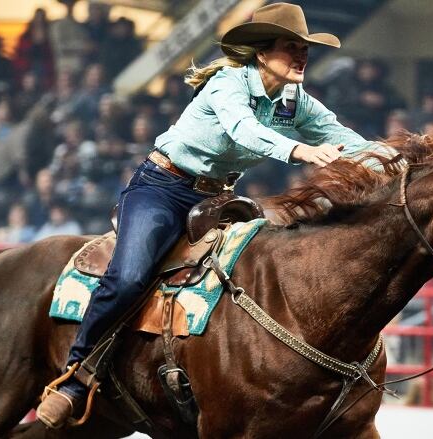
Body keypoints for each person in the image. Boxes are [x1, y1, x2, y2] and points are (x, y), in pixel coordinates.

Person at [36, 3, 388, 428]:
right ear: (261, 53)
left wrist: (402, 159)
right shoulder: (227, 84)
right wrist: (299, 150)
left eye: (305, 48)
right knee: (129, 275)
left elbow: (345, 139)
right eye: (290, 47)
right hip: (161, 188)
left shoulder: (295, 101)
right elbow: (243, 129)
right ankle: (77, 375)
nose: (302, 56)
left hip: (216, 198)